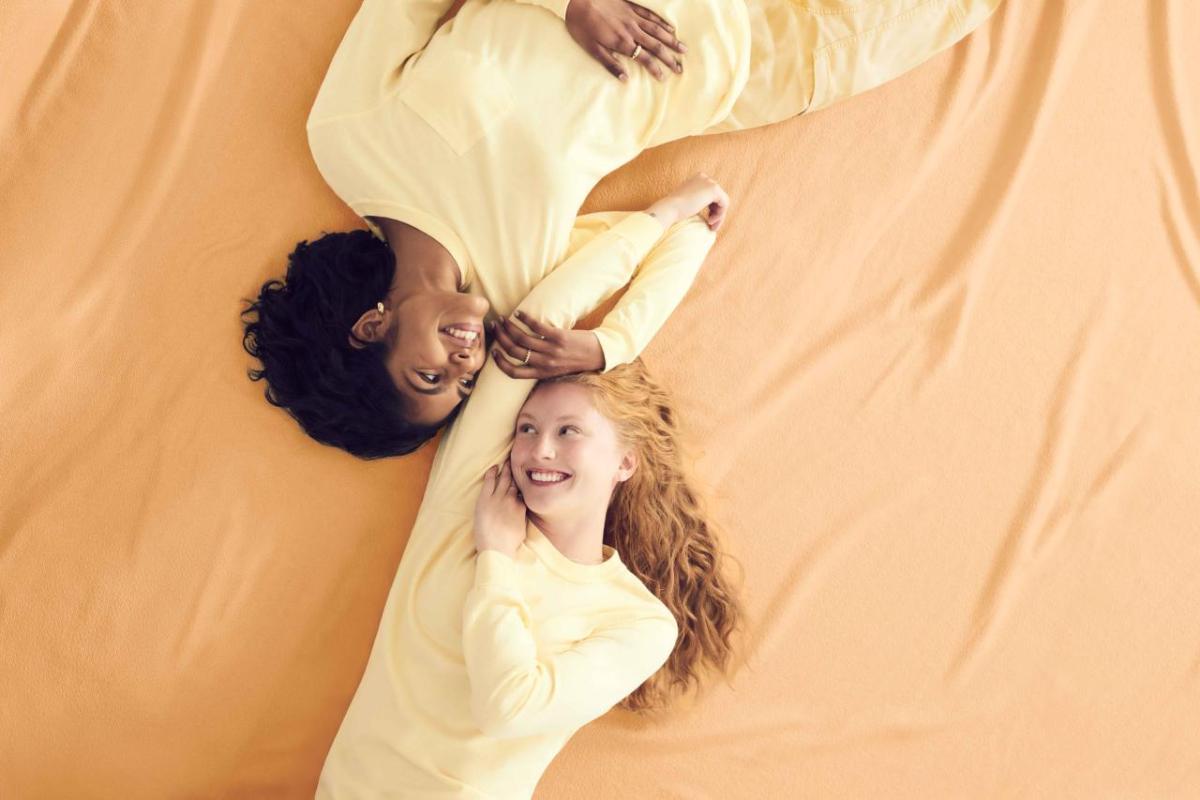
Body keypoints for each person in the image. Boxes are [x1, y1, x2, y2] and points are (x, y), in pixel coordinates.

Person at [242, 0, 1004, 458]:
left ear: (369, 326)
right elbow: (662, 231)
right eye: (463, 386)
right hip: (771, 56)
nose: (467, 363)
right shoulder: (520, 294)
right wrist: (608, 348)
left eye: (431, 375)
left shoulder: (349, 138)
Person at [316, 178, 739, 798]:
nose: (538, 449)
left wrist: (496, 558)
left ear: (626, 460)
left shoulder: (640, 623)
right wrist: (675, 221)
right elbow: (549, 312)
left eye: (569, 431)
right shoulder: (468, 491)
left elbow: (507, 709)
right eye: (526, 428)